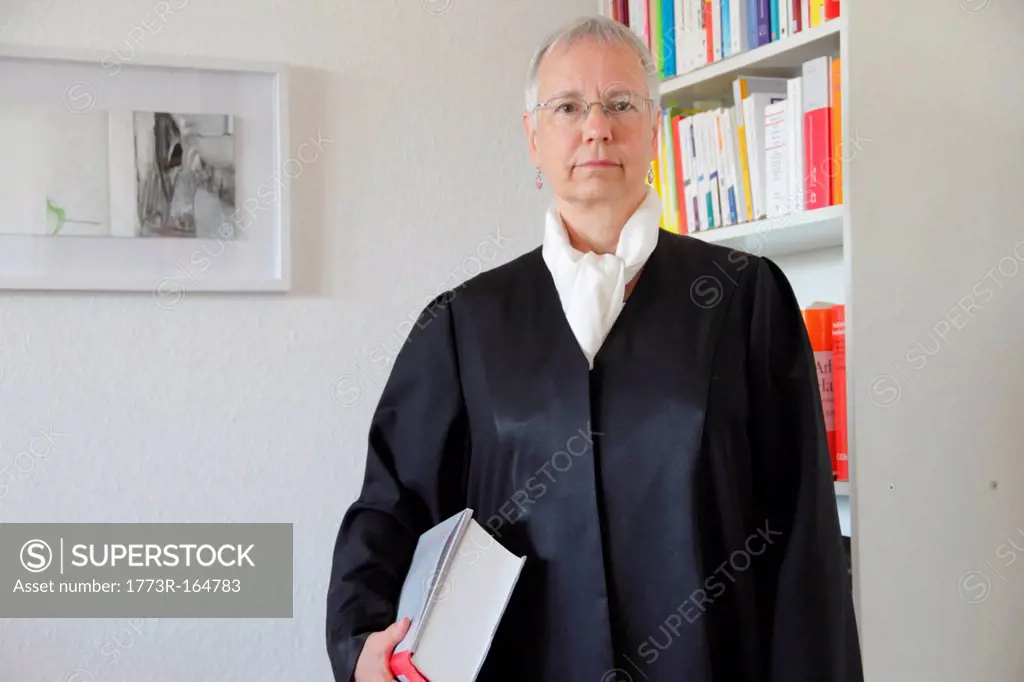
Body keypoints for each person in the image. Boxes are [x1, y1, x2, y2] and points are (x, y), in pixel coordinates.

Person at [326, 14, 863, 682]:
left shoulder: (743, 299)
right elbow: (391, 505)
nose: (596, 127)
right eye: (569, 107)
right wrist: (360, 643)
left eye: (620, 104)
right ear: (533, 137)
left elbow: (802, 534)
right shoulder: (465, 323)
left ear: (655, 129)